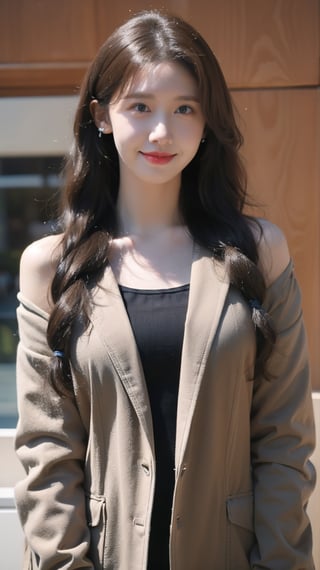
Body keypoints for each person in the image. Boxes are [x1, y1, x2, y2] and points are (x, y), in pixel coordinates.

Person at [14, 9, 316, 570]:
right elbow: (46, 452)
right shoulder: (50, 268)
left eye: (185, 109)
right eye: (140, 107)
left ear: (208, 121)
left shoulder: (260, 253)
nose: (162, 131)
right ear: (101, 117)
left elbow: (285, 437)